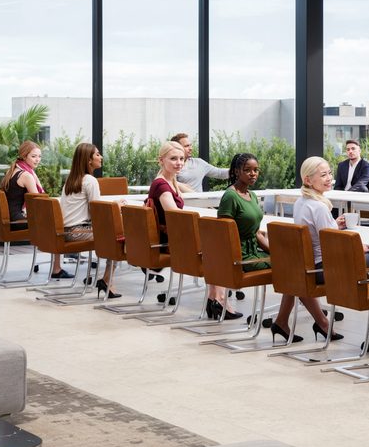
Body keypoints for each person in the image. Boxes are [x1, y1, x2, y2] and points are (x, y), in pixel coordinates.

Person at [271, 156, 344, 345]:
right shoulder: (319, 206)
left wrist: (333, 225)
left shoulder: (300, 202)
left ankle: (286, 321)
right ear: (307, 180)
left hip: (304, 263)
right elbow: (333, 243)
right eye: (323, 175)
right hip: (320, 268)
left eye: (329, 173)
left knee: (295, 277)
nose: (329, 178)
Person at [212, 152, 269, 322]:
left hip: (254, 252)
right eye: (248, 170)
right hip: (242, 257)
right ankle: (282, 319)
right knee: (290, 268)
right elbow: (225, 235)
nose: (253, 174)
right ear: (237, 172)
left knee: (288, 260)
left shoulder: (251, 195)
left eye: (256, 170)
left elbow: (256, 232)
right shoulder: (230, 196)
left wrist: (275, 251)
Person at [58, 140, 117, 296]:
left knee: (113, 234)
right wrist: (116, 206)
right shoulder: (90, 180)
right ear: (89, 160)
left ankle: (106, 280)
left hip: (65, 231)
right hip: (78, 231)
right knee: (118, 237)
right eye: (97, 154)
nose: (101, 157)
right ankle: (107, 280)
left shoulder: (71, 180)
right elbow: (98, 212)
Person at [146, 141, 199, 309]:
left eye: (182, 158)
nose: (179, 163)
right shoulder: (161, 185)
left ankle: (216, 299)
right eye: (174, 158)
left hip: (171, 237)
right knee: (220, 247)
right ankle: (216, 300)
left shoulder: (169, 181)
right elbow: (174, 215)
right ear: (161, 160)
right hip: (169, 242)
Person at [2, 141, 62, 277]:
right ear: (24, 156)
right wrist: (34, 177)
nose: (38, 160)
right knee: (57, 225)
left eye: (39, 156)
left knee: (55, 223)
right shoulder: (27, 175)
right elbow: (39, 202)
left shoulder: (14, 170)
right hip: (16, 222)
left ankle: (60, 262)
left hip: (9, 219)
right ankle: (57, 268)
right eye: (34, 156)